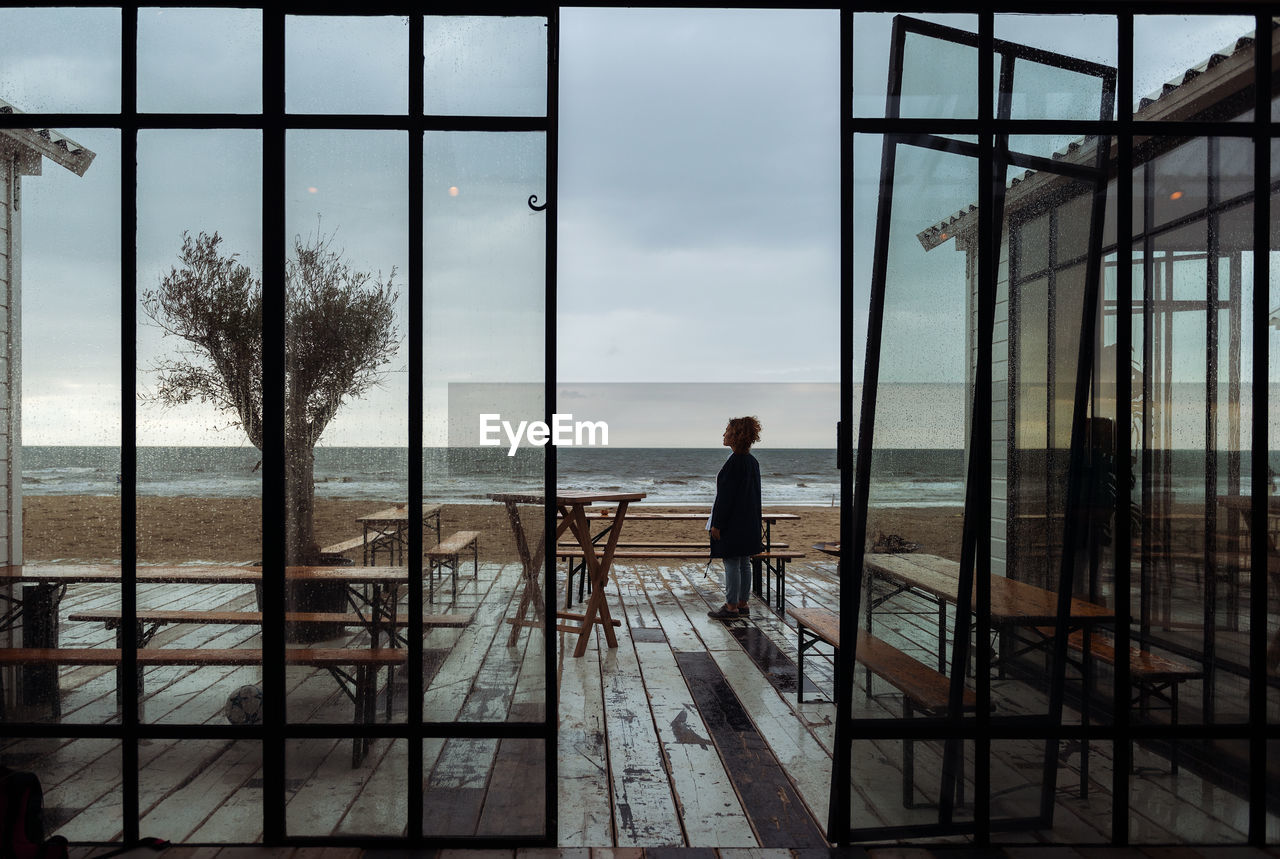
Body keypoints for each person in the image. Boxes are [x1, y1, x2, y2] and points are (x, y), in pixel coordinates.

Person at [707, 416, 763, 620]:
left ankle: (731, 607)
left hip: (733, 524)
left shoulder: (735, 463)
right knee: (744, 562)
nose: (724, 434)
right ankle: (742, 603)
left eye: (727, 431)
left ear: (736, 435)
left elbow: (726, 497)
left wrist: (717, 524)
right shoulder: (752, 461)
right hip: (749, 523)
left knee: (731, 562)